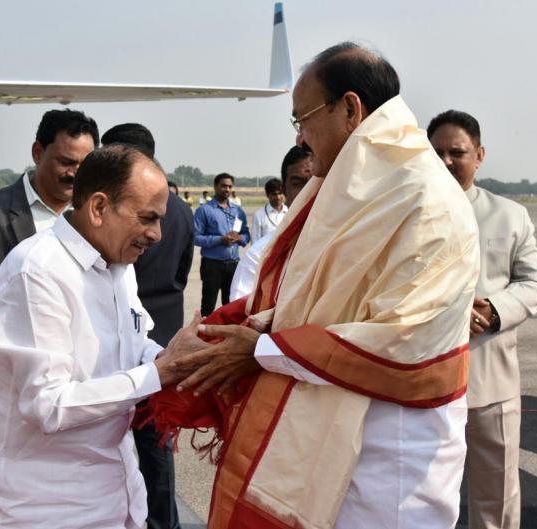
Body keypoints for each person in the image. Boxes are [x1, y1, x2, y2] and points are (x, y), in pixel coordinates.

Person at [169, 42, 481, 528]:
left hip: (390, 456)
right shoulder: (346, 188)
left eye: (303, 119)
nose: (300, 137)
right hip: (324, 425)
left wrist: (262, 350)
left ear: (350, 109)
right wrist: (243, 332)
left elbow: (407, 341)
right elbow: (308, 299)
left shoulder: (425, 198)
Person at [0, 145, 204, 529]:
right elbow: (48, 405)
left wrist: (173, 357)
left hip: (116, 490)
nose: (157, 234)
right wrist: (158, 373)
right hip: (46, 504)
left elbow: (133, 341)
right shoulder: (37, 273)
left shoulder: (118, 266)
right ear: (98, 208)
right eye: (147, 218)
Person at [428, 110, 537, 529]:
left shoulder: (510, 215)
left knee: (496, 500)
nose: (446, 161)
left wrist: (493, 310)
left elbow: (534, 283)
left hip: (491, 385)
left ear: (479, 155)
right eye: (436, 152)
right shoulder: (405, 214)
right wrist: (449, 313)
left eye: (457, 152)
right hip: (423, 384)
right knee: (418, 498)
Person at [0, 109, 99, 432]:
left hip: (85, 382)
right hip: (12, 383)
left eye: (84, 165)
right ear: (37, 151)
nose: (75, 174)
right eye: (66, 162)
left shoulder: (97, 212)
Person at [102, 122, 194, 529]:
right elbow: (183, 272)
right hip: (165, 334)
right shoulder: (183, 211)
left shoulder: (119, 213)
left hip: (132, 339)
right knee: (157, 449)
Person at [230, 146, 312, 300]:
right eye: (298, 183)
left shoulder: (347, 247)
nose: (309, 191)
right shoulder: (258, 257)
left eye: (318, 182)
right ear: (284, 190)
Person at [194, 173, 250, 316]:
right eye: (223, 186)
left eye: (230, 186)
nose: (227, 189)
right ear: (215, 187)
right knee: (208, 307)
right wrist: (220, 240)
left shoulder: (237, 211)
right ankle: (204, 330)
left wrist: (239, 238)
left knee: (231, 306)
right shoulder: (204, 210)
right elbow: (195, 237)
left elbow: (246, 234)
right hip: (212, 265)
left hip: (233, 265)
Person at [250, 178, 287, 243]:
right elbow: (255, 242)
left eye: (280, 193)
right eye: (274, 194)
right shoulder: (259, 215)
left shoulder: (290, 211)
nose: (278, 197)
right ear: (267, 195)